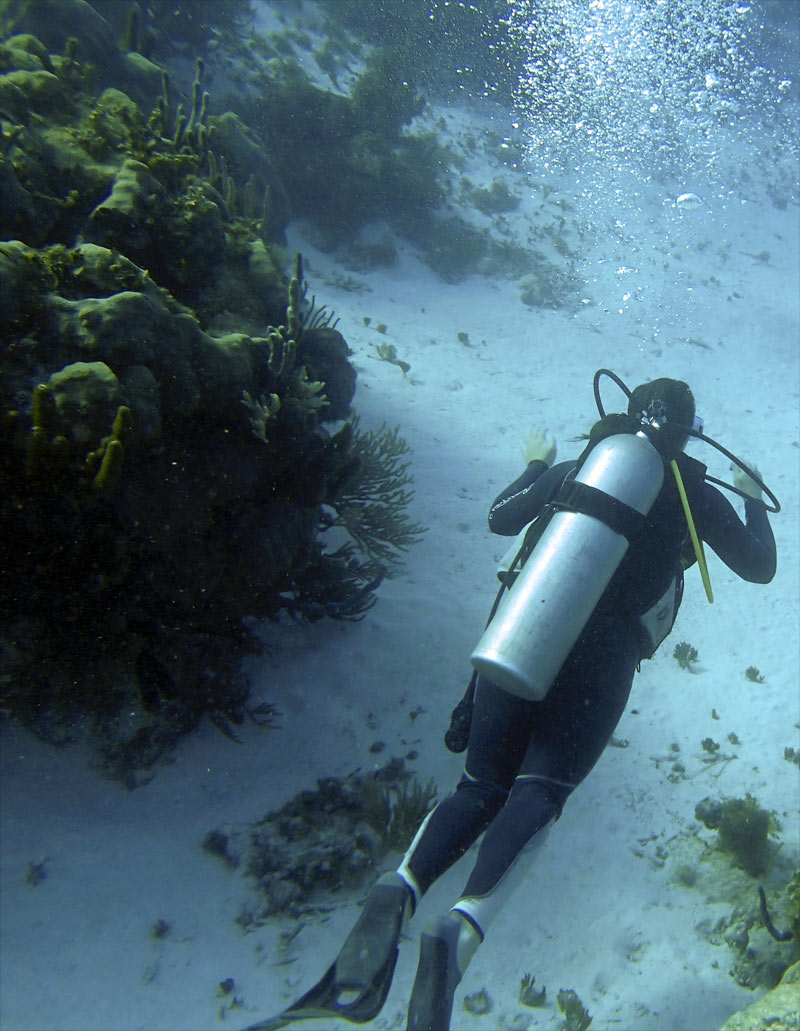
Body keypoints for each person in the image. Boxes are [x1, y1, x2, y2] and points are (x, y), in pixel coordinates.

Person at [251, 374, 777, 1031]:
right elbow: (759, 566)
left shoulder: (580, 465)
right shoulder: (692, 492)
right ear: (688, 435)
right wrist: (753, 500)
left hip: (521, 632)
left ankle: (403, 889)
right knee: (541, 787)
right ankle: (462, 927)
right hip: (603, 658)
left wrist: (536, 465)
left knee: (478, 786)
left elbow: (501, 516)